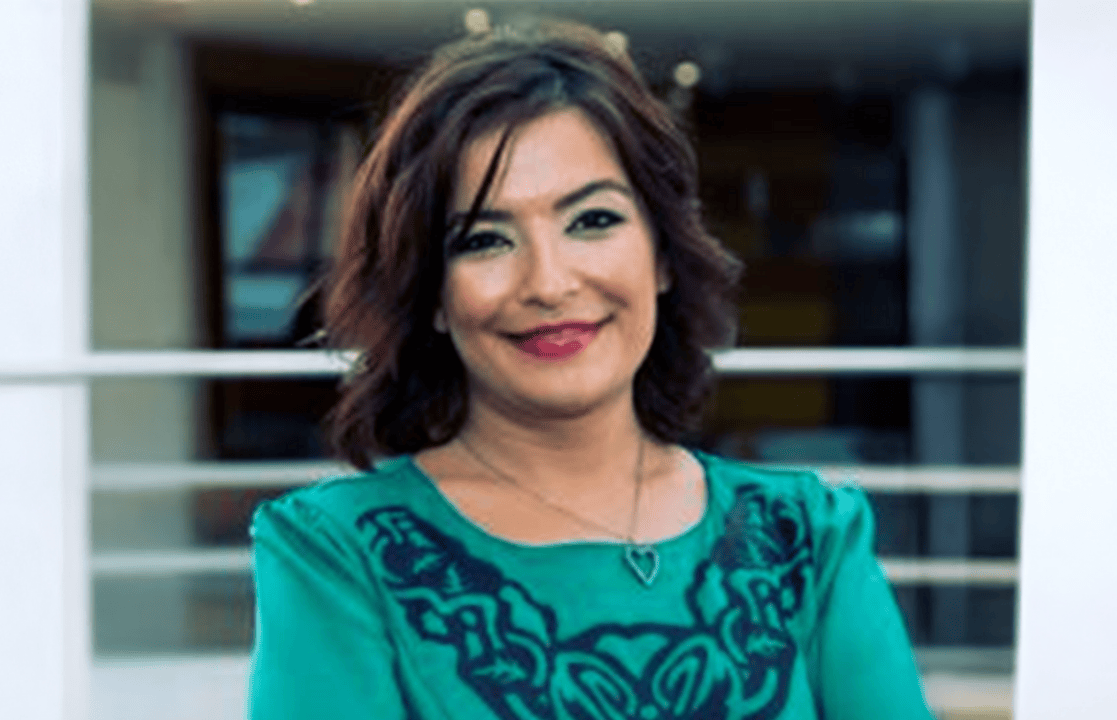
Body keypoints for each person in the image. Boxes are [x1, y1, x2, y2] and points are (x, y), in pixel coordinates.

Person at [248, 18, 932, 720]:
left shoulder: (806, 538)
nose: (548, 283)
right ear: (433, 297)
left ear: (662, 255)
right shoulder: (335, 553)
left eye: (592, 221)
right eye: (484, 240)